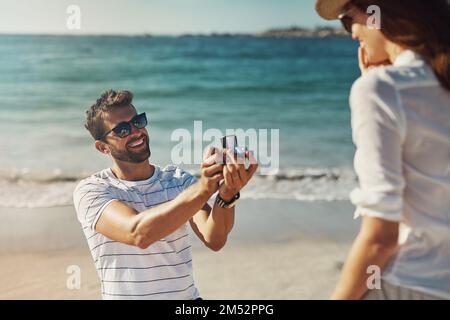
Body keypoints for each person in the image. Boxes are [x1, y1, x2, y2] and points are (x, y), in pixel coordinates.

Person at [315, 0, 450, 299]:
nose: (352, 33)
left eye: (350, 19)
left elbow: (381, 240)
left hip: (412, 282)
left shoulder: (383, 90)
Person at [73, 90, 258, 299]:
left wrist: (227, 194)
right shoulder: (92, 190)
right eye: (123, 130)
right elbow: (138, 233)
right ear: (102, 147)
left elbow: (214, 238)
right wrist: (204, 188)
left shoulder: (177, 180)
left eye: (138, 121)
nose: (136, 132)